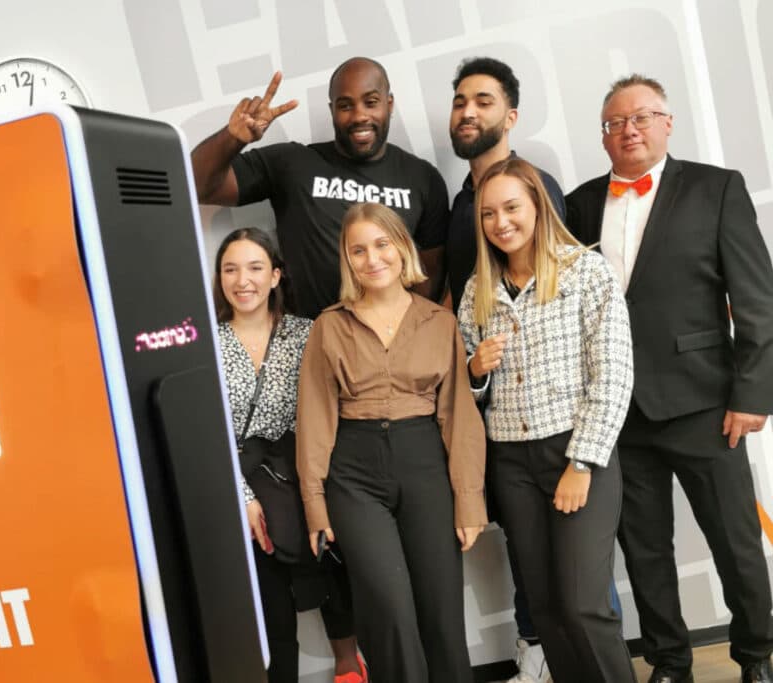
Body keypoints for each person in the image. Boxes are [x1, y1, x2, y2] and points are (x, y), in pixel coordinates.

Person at [565, 74, 773, 683]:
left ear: (667, 123)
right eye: (614, 123)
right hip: (618, 412)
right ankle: (670, 662)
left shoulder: (717, 188)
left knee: (735, 541)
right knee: (645, 550)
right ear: (603, 136)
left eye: (641, 117)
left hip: (705, 403)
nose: (628, 130)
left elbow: (757, 301)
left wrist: (752, 393)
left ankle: (757, 654)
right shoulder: (578, 204)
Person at [446, 56, 620, 683]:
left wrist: (582, 463)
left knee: (582, 606)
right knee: (544, 609)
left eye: (513, 208)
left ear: (538, 205)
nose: (502, 223)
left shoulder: (586, 272)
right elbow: (470, 389)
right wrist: (475, 369)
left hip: (573, 451)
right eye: (489, 214)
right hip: (512, 462)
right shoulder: (477, 292)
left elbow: (613, 376)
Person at [296, 202, 486, 682]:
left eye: (382, 244)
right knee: (388, 609)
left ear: (402, 248)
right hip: (353, 476)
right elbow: (315, 420)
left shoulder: (439, 322)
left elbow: (459, 416)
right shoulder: (329, 326)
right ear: (347, 259)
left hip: (425, 464)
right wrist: (315, 504)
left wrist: (469, 500)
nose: (372, 258)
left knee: (441, 608)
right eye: (358, 250)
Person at [212, 227, 367, 683]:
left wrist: (318, 483)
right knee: (270, 602)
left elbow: (330, 410)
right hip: (239, 479)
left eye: (255, 268)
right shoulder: (207, 342)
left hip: (303, 471)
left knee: (333, 567)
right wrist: (242, 496)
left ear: (276, 275)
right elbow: (205, 430)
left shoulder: (306, 333)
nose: (243, 280)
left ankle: (350, 667)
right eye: (230, 269)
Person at [192, 57, 451, 319]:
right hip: (311, 335)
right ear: (332, 110)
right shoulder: (293, 164)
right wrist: (233, 138)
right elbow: (197, 185)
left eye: (371, 102)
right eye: (345, 106)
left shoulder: (423, 178)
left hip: (391, 337)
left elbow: (430, 276)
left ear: (389, 104)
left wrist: (404, 334)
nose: (359, 116)